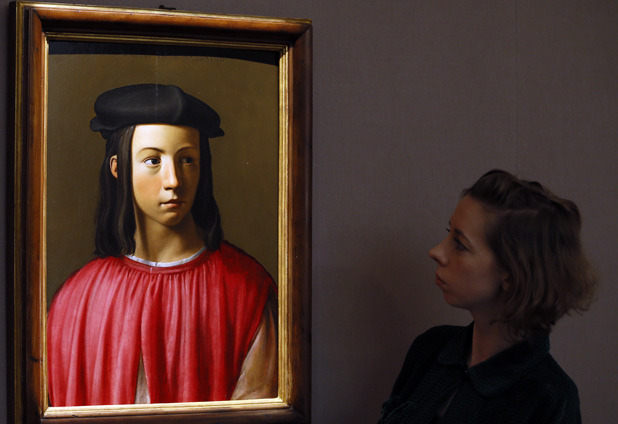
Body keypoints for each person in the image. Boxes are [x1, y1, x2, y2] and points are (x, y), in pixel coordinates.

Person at [47, 84, 277, 406]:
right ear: (118, 168)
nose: (174, 181)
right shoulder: (76, 300)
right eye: (153, 160)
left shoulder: (248, 289)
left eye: (187, 160)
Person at [379, 170, 598, 424]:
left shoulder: (550, 398)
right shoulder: (430, 348)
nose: (436, 251)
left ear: (513, 275)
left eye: (460, 244)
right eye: (449, 232)